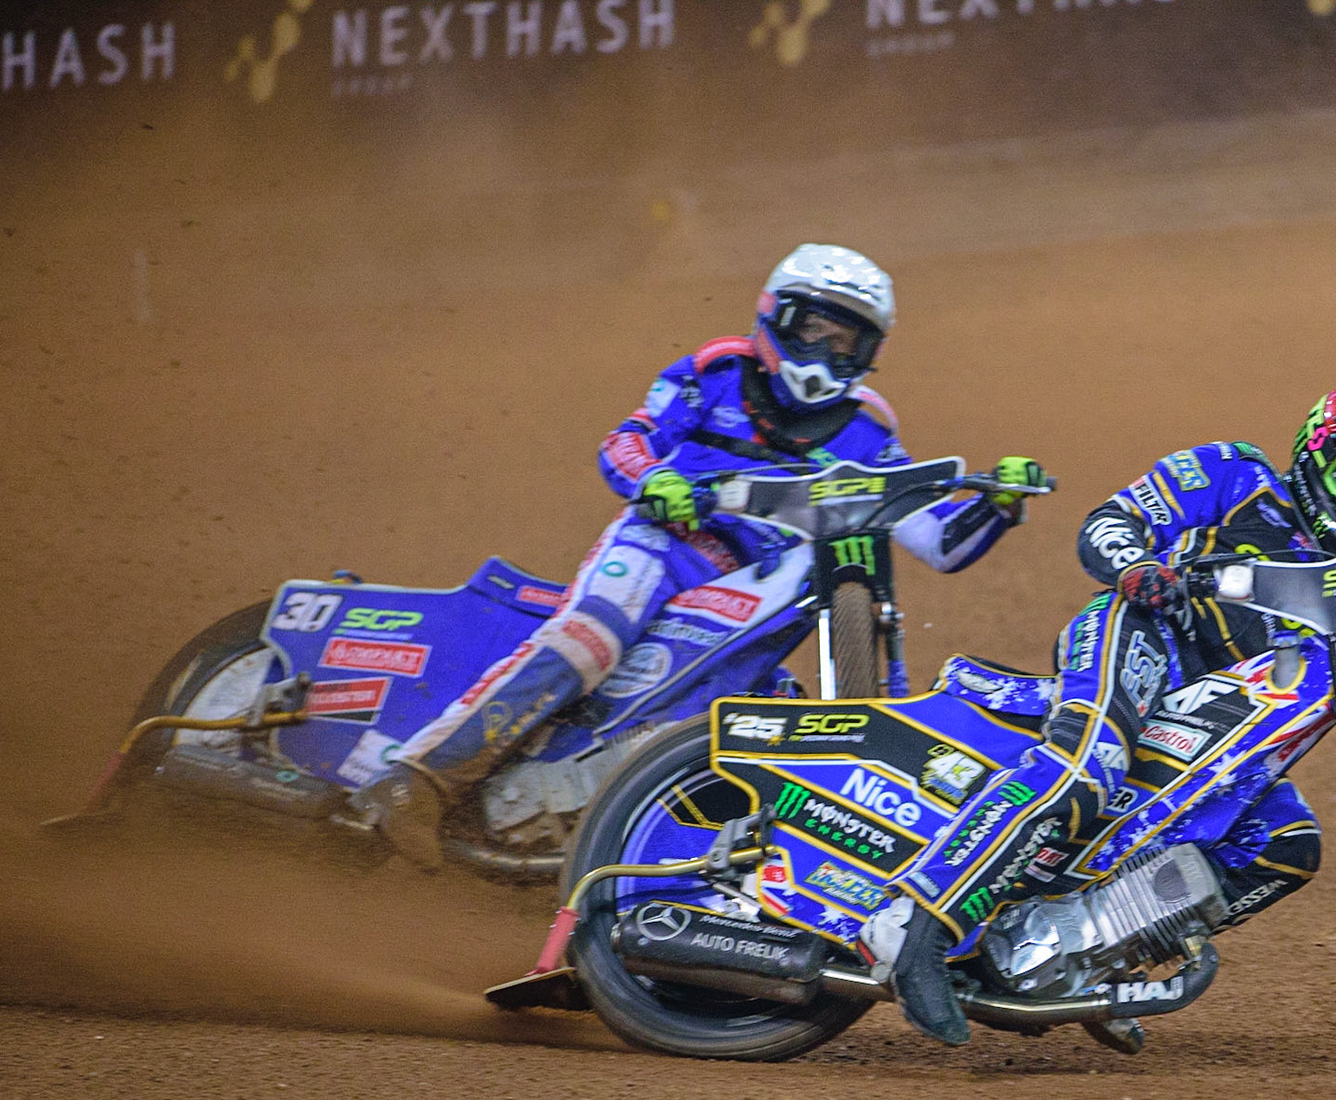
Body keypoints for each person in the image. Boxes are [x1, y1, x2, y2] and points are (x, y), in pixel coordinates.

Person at [858, 381, 1336, 1045]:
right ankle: (921, 926)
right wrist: (1140, 566)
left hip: (1223, 725)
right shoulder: (1234, 473)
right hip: (1143, 636)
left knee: (1285, 842)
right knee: (1092, 764)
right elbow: (1111, 522)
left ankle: (1086, 957)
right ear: (1311, 458)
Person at [355, 244, 1047, 867]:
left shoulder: (867, 431)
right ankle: (418, 781)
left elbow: (937, 540)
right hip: (664, 544)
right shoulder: (716, 372)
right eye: (816, 329)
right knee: (589, 638)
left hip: (749, 586)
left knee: (758, 716)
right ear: (779, 317)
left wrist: (999, 504)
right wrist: (652, 481)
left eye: (849, 341)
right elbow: (627, 441)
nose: (828, 353)